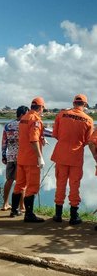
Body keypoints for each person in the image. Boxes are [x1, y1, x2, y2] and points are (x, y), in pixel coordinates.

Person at [51, 94, 93, 225]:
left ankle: (58, 215)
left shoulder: (61, 115)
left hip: (61, 155)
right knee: (75, 185)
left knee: (60, 184)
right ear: (85, 105)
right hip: (76, 157)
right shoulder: (88, 120)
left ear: (73, 102)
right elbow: (88, 141)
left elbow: (56, 135)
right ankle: (74, 216)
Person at [10, 97, 46, 222]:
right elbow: (33, 139)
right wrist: (39, 157)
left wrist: (42, 138)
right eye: (43, 108)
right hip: (31, 159)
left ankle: (14, 210)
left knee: (19, 184)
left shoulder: (24, 118)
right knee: (32, 186)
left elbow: (27, 136)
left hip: (21, 158)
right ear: (41, 107)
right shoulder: (35, 120)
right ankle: (29, 214)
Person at [1, 106, 29, 212]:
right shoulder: (24, 125)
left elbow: (4, 142)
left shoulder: (7, 125)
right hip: (21, 156)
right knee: (22, 182)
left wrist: (3, 155)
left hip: (10, 156)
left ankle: (5, 204)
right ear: (22, 114)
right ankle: (22, 206)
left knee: (9, 180)